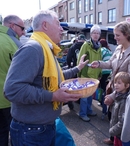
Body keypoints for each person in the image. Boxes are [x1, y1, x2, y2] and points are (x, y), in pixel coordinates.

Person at [3, 10, 88, 146]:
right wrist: (53, 96)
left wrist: (78, 68)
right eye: (58, 24)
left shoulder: (46, 48)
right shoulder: (33, 49)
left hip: (41, 128)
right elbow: (12, 90)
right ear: (45, 25)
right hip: (30, 132)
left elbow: (56, 77)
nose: (62, 29)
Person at [91, 21, 130, 145]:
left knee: (119, 120)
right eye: (114, 34)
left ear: (127, 35)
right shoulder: (118, 48)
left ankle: (118, 141)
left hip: (121, 95)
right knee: (112, 116)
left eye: (117, 35)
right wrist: (99, 64)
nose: (115, 37)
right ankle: (113, 139)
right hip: (114, 88)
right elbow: (110, 63)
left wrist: (113, 96)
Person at [0, 15, 25, 146]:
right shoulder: (13, 43)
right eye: (22, 28)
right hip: (8, 100)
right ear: (12, 26)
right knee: (16, 133)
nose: (24, 32)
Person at [77, 24, 102, 122]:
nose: (96, 35)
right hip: (85, 74)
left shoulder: (99, 46)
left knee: (90, 94)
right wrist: (79, 72)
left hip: (94, 75)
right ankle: (82, 113)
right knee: (84, 96)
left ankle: (89, 110)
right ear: (91, 34)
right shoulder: (86, 45)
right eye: (94, 33)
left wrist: (99, 73)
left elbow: (100, 60)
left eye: (97, 33)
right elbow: (80, 59)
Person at [105, 72, 130, 146]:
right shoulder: (118, 95)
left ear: (127, 85)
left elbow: (122, 122)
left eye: (119, 83)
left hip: (120, 134)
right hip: (117, 134)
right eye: (115, 82)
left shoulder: (124, 101)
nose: (115, 85)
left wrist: (112, 131)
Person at [99, 39, 112, 119]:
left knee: (104, 91)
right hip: (110, 73)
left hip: (103, 72)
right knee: (107, 91)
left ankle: (104, 110)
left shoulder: (101, 50)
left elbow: (100, 62)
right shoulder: (109, 51)